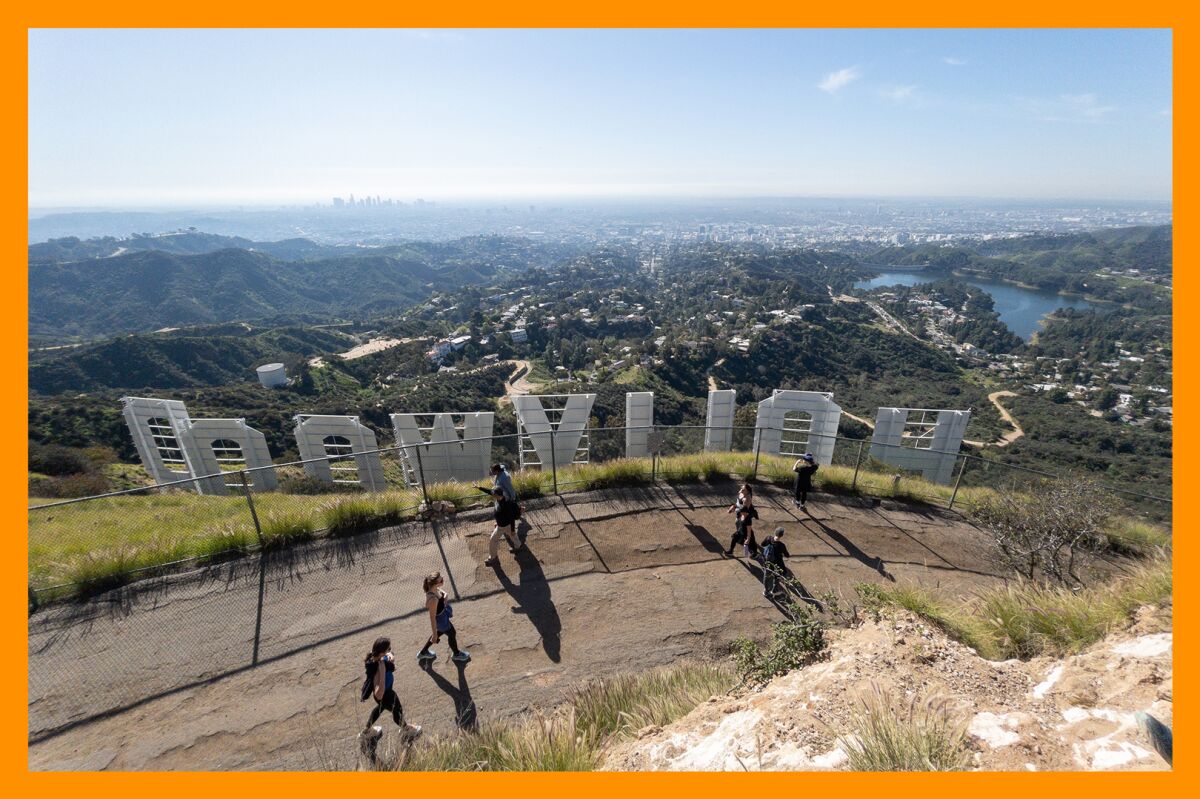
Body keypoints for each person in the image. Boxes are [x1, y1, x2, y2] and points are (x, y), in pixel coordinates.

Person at [360, 637, 421, 744]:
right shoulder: (379, 667)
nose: (390, 650)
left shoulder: (375, 658)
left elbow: (390, 657)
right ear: (382, 652)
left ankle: (366, 731)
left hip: (385, 695)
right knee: (397, 711)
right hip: (386, 695)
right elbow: (379, 694)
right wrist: (383, 672)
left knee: (380, 709)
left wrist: (390, 657)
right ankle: (406, 729)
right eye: (388, 649)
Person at [417, 572, 471, 663]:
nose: (443, 580)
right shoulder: (433, 599)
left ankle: (423, 652)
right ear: (436, 583)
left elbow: (442, 593)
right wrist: (434, 635)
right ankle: (456, 654)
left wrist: (445, 596)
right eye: (441, 580)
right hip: (441, 620)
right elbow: (432, 618)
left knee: (441, 632)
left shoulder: (434, 589)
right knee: (451, 633)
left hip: (443, 617)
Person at [484, 488, 522, 566]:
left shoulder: (506, 504)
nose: (492, 495)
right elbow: (489, 491)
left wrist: (512, 529)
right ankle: (493, 558)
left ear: (498, 495)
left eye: (494, 494)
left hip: (507, 525)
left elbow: (512, 518)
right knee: (493, 540)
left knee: (513, 536)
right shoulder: (498, 498)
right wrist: (479, 487)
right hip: (500, 526)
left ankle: (518, 547)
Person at [760, 527, 792, 598]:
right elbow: (787, 555)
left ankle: (766, 590)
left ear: (775, 533)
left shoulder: (768, 538)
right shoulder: (781, 545)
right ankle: (774, 590)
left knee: (766, 576)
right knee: (777, 577)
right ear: (782, 535)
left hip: (768, 562)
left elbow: (762, 544)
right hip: (777, 564)